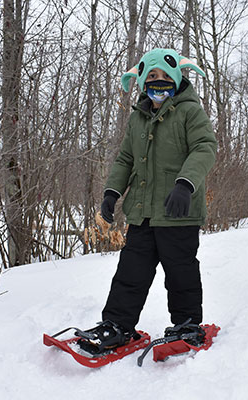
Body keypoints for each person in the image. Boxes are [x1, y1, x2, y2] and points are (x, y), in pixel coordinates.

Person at [79, 48, 217, 353]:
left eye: (166, 77)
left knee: (180, 272)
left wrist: (185, 184)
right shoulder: (138, 117)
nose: (159, 82)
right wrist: (112, 193)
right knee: (131, 272)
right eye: (152, 76)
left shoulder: (189, 111)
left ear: (178, 79)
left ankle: (187, 324)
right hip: (141, 214)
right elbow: (126, 158)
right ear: (142, 80)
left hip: (178, 211)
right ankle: (116, 325)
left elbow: (205, 147)